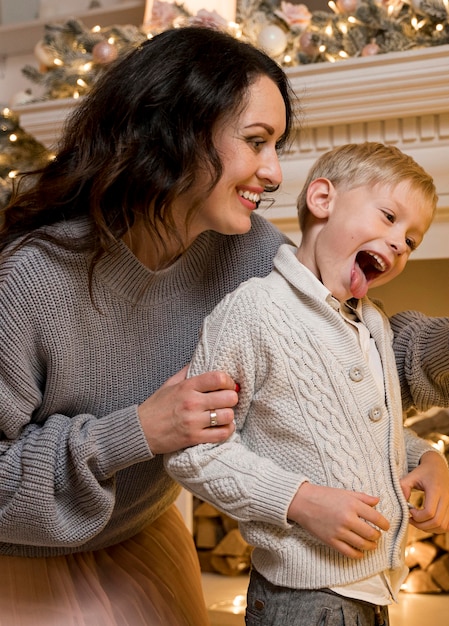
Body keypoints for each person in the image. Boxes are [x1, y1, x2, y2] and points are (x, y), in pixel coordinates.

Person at [0, 25, 297, 625]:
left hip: (143, 541)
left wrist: (416, 448)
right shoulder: (33, 278)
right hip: (21, 568)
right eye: (257, 141)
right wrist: (137, 431)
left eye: (277, 147)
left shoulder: (252, 255)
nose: (274, 173)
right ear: (179, 134)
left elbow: (332, 365)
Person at [165, 142, 449, 626]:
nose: (401, 243)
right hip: (301, 603)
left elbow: (361, 434)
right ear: (322, 200)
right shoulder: (254, 311)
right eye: (388, 217)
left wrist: (428, 457)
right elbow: (194, 453)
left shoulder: (372, 325)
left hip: (376, 595)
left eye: (412, 240)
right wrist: (298, 500)